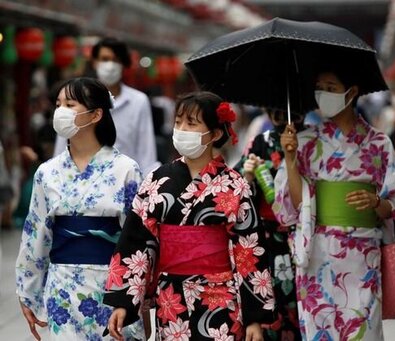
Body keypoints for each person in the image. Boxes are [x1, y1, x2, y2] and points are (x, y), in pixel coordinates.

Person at [103, 91, 275, 341]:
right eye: (178, 122)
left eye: (191, 124)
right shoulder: (157, 180)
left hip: (222, 300)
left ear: (215, 134)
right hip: (171, 299)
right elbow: (136, 242)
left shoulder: (234, 185)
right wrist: (124, 302)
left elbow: (249, 252)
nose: (181, 129)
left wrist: (254, 318)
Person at [274, 63, 395, 340]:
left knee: (364, 330)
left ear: (352, 92)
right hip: (317, 254)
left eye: (331, 89)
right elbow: (295, 207)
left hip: (363, 255)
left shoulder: (378, 143)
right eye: (319, 89)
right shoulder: (304, 141)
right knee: (320, 330)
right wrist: (290, 161)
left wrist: (376, 202)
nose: (323, 94)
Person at [15, 77, 143, 340]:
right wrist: (27, 292)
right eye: (58, 104)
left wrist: (135, 298)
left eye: (70, 104)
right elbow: (35, 235)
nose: (60, 111)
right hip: (62, 285)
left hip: (112, 286)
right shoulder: (47, 172)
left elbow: (137, 240)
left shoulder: (125, 169)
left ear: (96, 114)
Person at [234, 108, 304, 340]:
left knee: (304, 304)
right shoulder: (259, 142)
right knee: (269, 302)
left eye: (283, 106)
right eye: (271, 105)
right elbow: (236, 189)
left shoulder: (314, 141)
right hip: (267, 236)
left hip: (304, 234)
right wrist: (248, 177)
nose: (278, 112)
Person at [54, 37, 159, 175]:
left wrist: (147, 187)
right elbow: (63, 140)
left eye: (115, 60)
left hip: (125, 181)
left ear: (123, 64)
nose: (110, 65)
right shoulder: (78, 99)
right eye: (104, 59)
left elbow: (146, 149)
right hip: (80, 178)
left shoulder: (138, 101)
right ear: (94, 62)